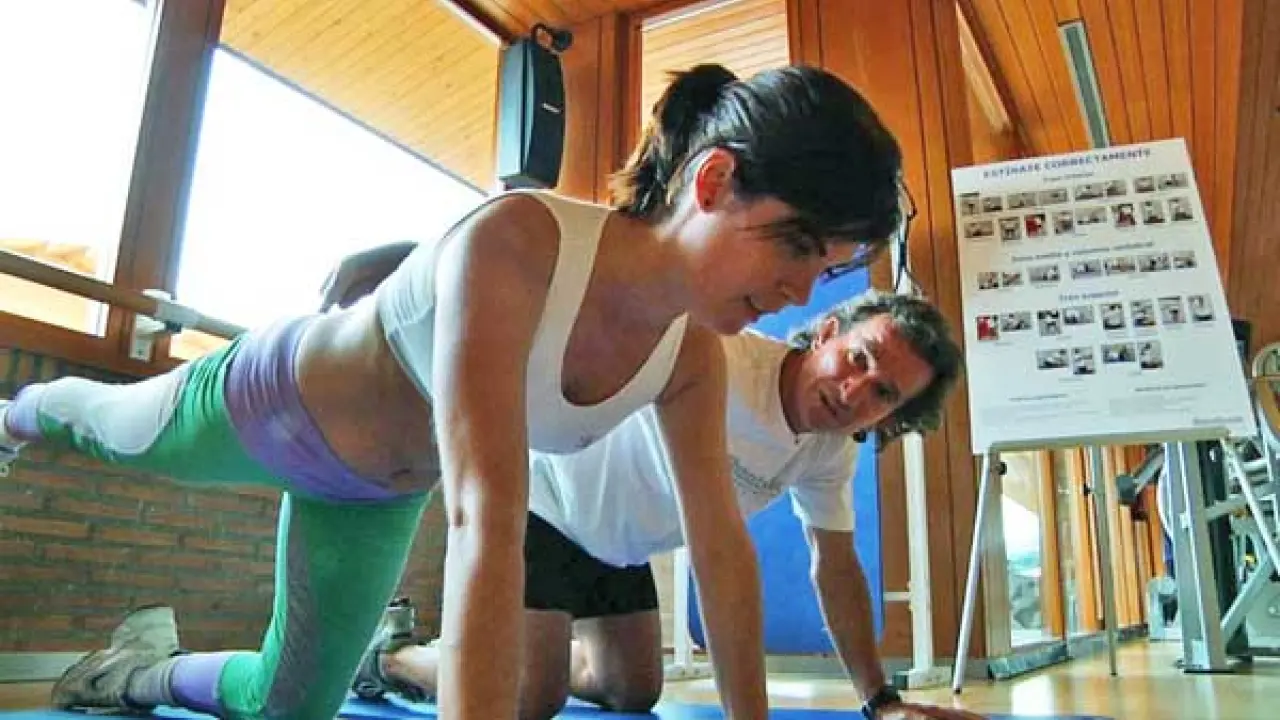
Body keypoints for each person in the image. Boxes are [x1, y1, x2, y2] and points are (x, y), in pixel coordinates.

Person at [0, 63, 906, 720]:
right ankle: (18, 415)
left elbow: (722, 552)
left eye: (824, 268)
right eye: (796, 246)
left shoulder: (693, 354)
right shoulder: (519, 241)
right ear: (713, 181)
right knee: (107, 425)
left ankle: (138, 673)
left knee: (289, 704)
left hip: (373, 495)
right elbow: (485, 520)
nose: (801, 290)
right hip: (270, 401)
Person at [322, 251, 974, 719]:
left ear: (893, 415)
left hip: (620, 551)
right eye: (857, 358)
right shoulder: (721, 355)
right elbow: (562, 287)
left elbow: (836, 568)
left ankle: (529, 647)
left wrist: (880, 701)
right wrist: (416, 262)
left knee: (633, 691)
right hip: (544, 507)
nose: (853, 391)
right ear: (827, 333)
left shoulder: (831, 452)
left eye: (883, 393)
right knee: (528, 697)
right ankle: (396, 656)